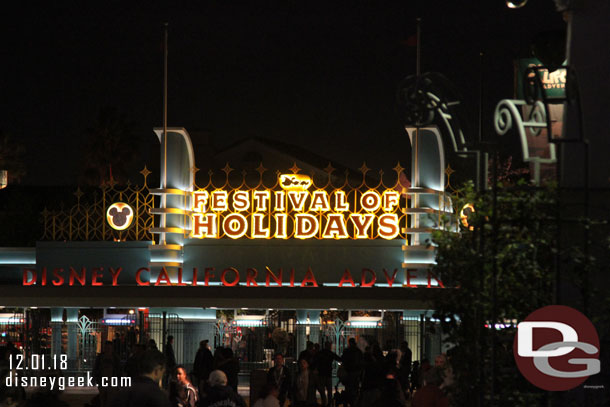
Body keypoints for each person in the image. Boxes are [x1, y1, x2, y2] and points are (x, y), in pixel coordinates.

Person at [94, 341, 120, 407]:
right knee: (103, 398)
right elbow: (96, 368)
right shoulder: (100, 357)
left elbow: (118, 369)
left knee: (110, 399)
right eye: (106, 348)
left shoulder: (115, 357)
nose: (107, 349)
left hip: (111, 381)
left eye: (109, 348)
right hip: (102, 380)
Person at [314, 342, 341, 407]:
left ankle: (324, 402)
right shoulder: (330, 353)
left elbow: (316, 361)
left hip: (321, 373)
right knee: (329, 390)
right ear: (329, 346)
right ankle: (329, 403)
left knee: (322, 390)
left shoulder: (321, 353)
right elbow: (339, 359)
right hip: (328, 373)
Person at [340, 338, 363, 407]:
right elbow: (361, 361)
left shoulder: (347, 351)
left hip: (349, 372)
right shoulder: (358, 351)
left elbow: (343, 359)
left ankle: (348, 401)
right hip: (356, 372)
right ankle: (354, 402)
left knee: (348, 388)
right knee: (355, 388)